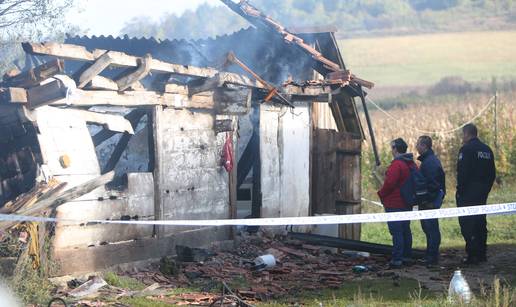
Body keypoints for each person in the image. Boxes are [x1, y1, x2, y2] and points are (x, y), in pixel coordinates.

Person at [456, 123, 496, 265]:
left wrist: (460, 191)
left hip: (467, 194)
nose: (462, 137)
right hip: (482, 193)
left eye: (463, 134)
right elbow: (492, 174)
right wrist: (485, 189)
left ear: (467, 134)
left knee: (468, 224)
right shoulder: (487, 150)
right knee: (480, 222)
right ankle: (482, 253)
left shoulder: (466, 150)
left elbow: (462, 173)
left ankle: (472, 255)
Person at [378, 138, 416, 268]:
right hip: (407, 202)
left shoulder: (397, 165)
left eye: (392, 147)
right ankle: (407, 256)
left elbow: (389, 183)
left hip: (395, 203)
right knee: (406, 230)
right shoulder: (411, 163)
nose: (391, 150)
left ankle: (397, 259)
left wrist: (381, 194)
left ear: (395, 149)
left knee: (397, 231)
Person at [416, 135, 446, 266]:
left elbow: (433, 184)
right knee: (428, 229)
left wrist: (427, 200)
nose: (416, 146)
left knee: (431, 229)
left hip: (429, 203)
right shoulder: (428, 161)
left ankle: (432, 257)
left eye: (418, 144)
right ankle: (430, 254)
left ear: (424, 146)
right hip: (428, 202)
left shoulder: (430, 162)